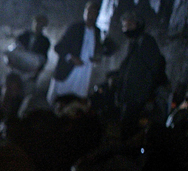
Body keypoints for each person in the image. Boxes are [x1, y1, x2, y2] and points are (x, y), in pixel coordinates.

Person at [112, 10, 167, 139]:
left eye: (130, 25)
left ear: (138, 24)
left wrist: (148, 93)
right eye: (124, 26)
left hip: (139, 96)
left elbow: (155, 67)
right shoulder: (132, 44)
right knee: (126, 128)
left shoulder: (146, 42)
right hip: (129, 95)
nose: (127, 29)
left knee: (132, 130)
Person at [48, 2, 105, 104]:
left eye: (94, 13)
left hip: (83, 76)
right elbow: (59, 47)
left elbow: (96, 50)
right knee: (58, 101)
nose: (90, 16)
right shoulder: (75, 28)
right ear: (84, 13)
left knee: (76, 104)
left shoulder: (97, 32)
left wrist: (96, 58)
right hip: (68, 72)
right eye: (89, 12)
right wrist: (71, 58)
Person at [12, 15, 51, 81]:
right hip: (17, 71)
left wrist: (35, 73)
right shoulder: (23, 36)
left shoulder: (45, 42)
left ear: (43, 26)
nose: (37, 25)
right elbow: (15, 50)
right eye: (36, 23)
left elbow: (43, 59)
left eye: (40, 24)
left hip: (32, 74)